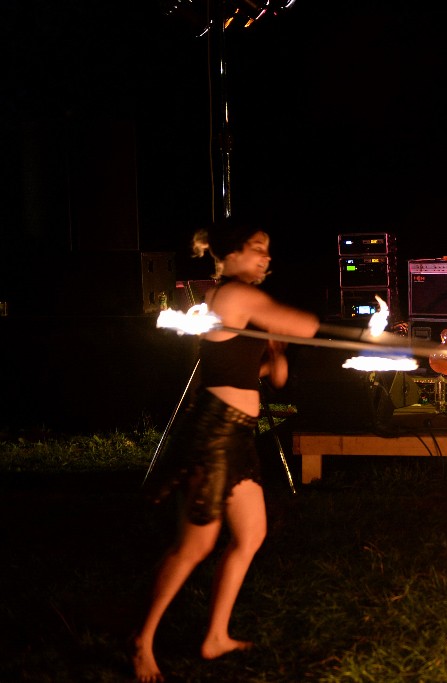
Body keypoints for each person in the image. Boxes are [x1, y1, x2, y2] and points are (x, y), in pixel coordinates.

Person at [133, 221, 320, 683]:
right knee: (194, 545)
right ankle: (142, 641)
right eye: (257, 249)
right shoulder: (233, 294)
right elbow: (306, 324)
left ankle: (215, 636)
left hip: (238, 434)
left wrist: (276, 350)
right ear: (229, 256)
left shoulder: (245, 307)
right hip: (214, 434)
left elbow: (273, 378)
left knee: (250, 533)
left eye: (268, 251)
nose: (266, 258)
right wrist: (292, 328)